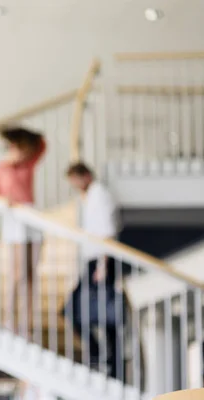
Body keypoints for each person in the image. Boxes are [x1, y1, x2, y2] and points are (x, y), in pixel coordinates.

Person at [63, 161, 125, 380]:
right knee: (85, 312)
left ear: (85, 175)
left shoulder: (100, 194)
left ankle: (111, 363)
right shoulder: (89, 197)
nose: (75, 186)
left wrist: (102, 264)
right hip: (94, 262)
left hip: (101, 262)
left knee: (105, 316)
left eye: (75, 180)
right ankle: (104, 358)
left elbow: (107, 231)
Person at [0, 127, 46, 332]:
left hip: (31, 215)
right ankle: (10, 318)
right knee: (17, 274)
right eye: (16, 148)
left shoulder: (27, 165)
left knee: (31, 274)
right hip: (14, 218)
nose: (20, 152)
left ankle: (27, 321)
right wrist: (6, 201)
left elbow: (41, 144)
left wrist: (16, 132)